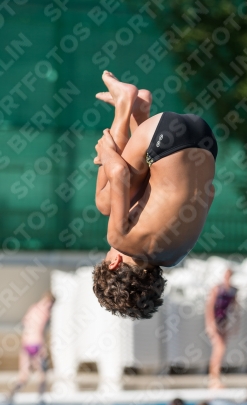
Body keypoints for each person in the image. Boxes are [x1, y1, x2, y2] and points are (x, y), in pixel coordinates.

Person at [92, 71, 218, 320]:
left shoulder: (175, 256)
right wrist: (106, 153)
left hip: (205, 140)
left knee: (138, 195)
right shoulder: (120, 241)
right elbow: (117, 173)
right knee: (105, 203)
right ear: (114, 263)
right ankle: (124, 104)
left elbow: (208, 195)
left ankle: (140, 110)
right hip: (164, 137)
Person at [8, 292, 55, 402]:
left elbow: (25, 324)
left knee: (23, 376)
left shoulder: (32, 308)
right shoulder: (44, 312)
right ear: (49, 302)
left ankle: (10, 397)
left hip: (26, 344)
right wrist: (43, 348)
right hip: (36, 344)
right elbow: (39, 330)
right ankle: (41, 400)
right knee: (42, 375)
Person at [205, 268, 237, 388]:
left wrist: (235, 325)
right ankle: (214, 378)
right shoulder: (217, 289)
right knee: (219, 349)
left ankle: (214, 377)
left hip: (224, 322)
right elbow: (210, 306)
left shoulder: (233, 291)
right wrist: (210, 323)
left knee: (220, 350)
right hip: (215, 322)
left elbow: (235, 309)